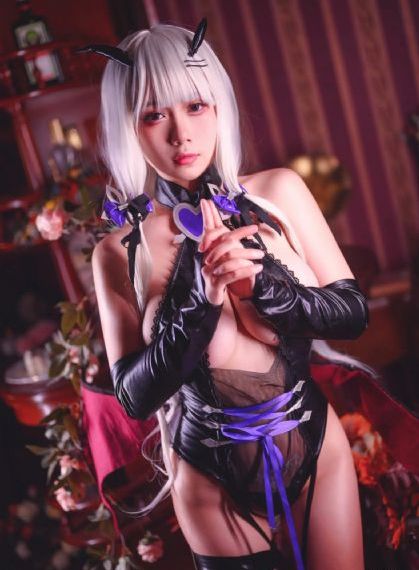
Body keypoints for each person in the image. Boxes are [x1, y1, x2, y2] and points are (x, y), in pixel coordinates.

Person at [89, 20, 368, 570]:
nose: (181, 135)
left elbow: (352, 313)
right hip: (209, 477)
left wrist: (262, 288)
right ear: (129, 126)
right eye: (153, 115)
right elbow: (134, 397)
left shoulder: (280, 190)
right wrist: (202, 299)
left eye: (195, 106)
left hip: (314, 444)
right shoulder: (119, 250)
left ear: (218, 104)